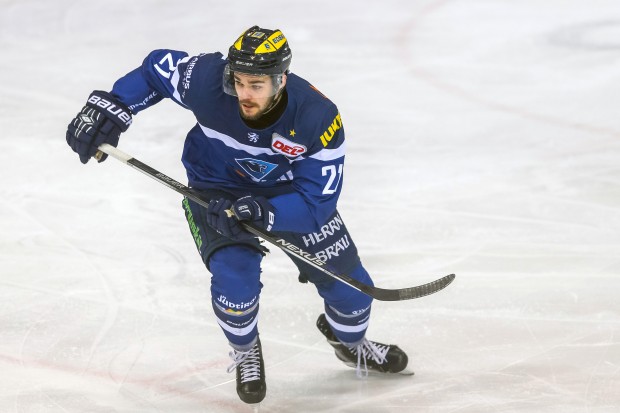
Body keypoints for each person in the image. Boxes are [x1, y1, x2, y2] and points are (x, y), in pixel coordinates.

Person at [66, 25, 408, 405]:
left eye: (256, 85)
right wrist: (113, 107)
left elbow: (317, 204)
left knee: (352, 292)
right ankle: (246, 349)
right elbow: (155, 71)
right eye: (238, 81)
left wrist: (266, 212)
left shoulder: (317, 118)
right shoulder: (208, 79)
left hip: (287, 196)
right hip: (215, 188)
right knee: (235, 282)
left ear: (281, 80)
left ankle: (351, 344)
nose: (243, 94)